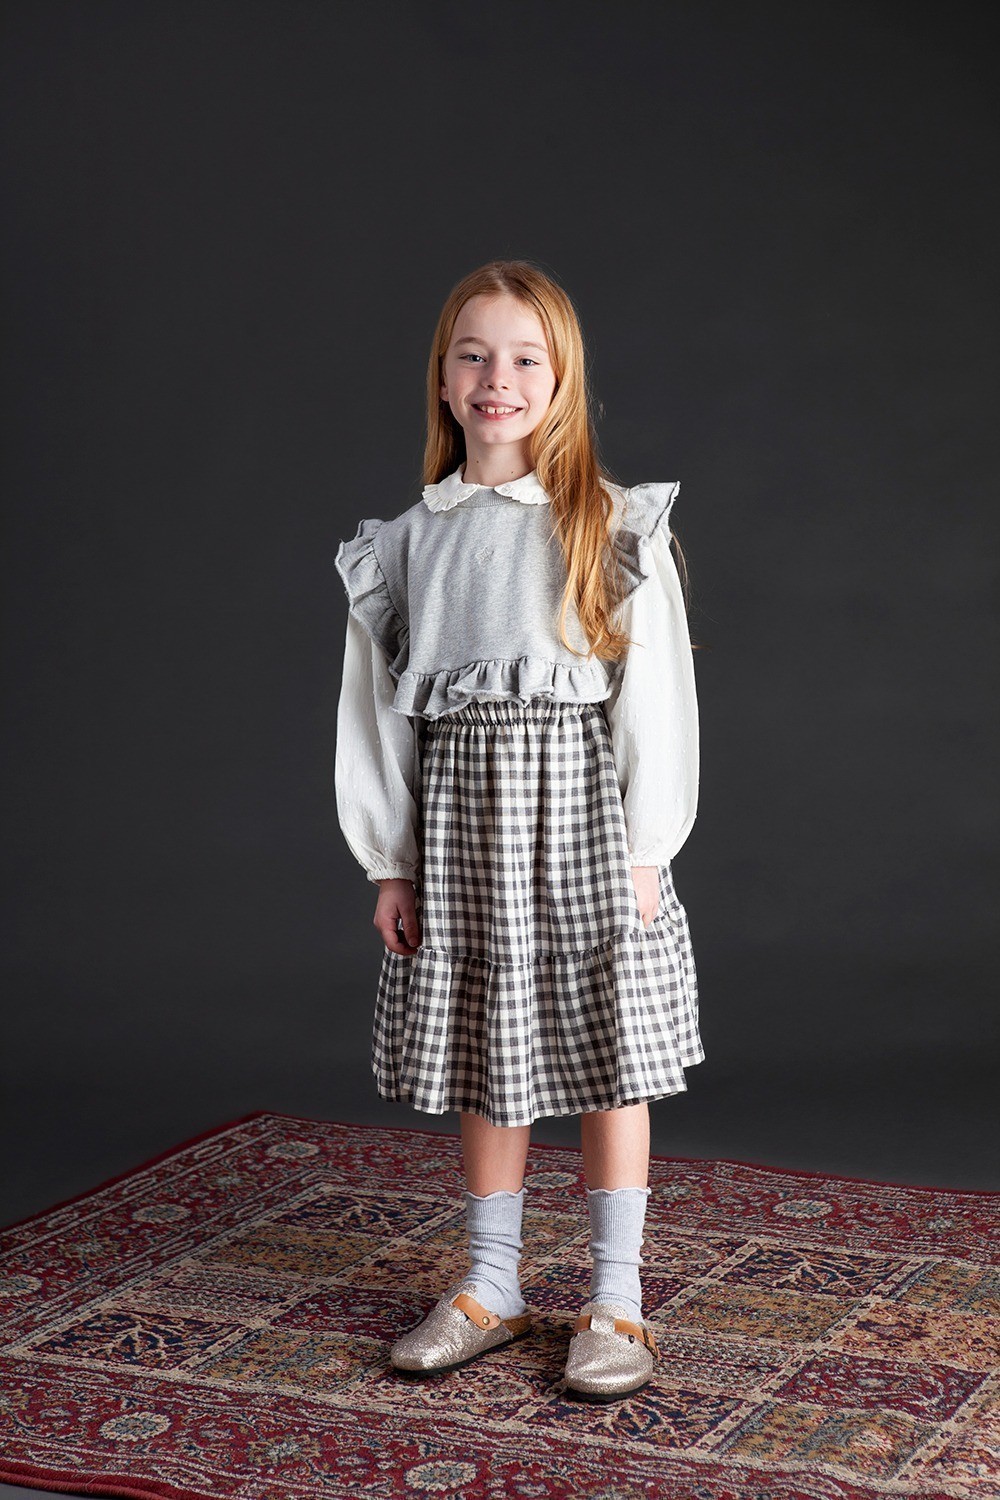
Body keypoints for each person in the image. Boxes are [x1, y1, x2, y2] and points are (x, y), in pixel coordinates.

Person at [334, 259, 702, 1402]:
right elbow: (375, 716)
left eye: (524, 358)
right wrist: (389, 864)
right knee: (488, 1055)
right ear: (443, 380)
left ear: (560, 380)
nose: (498, 378)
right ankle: (491, 1284)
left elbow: (656, 699)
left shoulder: (608, 522)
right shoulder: (405, 544)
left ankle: (616, 1298)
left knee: (605, 1055)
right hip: (463, 836)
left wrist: (646, 849)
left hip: (585, 824)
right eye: (474, 355)